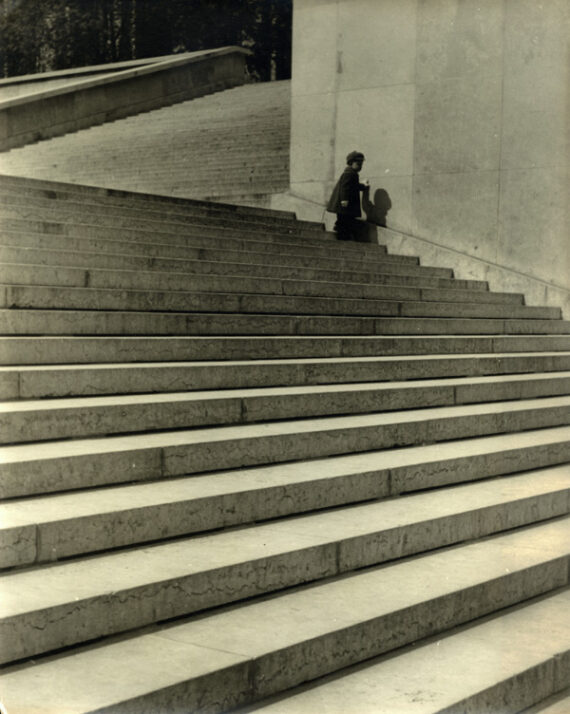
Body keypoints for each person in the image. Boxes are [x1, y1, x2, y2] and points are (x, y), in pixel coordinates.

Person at [326, 151, 370, 241]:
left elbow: (354, 186)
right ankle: (341, 236)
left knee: (345, 220)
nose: (360, 166)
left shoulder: (352, 173)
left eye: (361, 163)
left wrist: (363, 186)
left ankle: (343, 235)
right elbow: (344, 187)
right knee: (343, 221)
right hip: (345, 205)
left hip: (347, 206)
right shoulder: (350, 173)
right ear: (351, 162)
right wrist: (344, 200)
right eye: (358, 163)